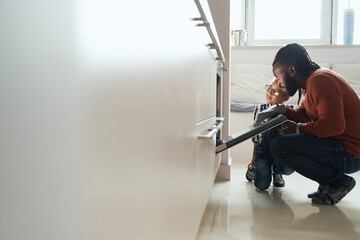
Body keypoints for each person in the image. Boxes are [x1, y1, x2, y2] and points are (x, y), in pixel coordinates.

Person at [268, 43, 360, 205]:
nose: (279, 82)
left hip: (351, 154)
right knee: (280, 139)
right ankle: (329, 183)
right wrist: (282, 110)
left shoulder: (320, 81)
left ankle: (338, 182)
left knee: (279, 146)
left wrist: (296, 129)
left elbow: (334, 126)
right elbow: (304, 114)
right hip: (342, 146)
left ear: (291, 70)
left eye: (278, 75)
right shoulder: (310, 82)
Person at [246, 79, 295, 191]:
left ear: (285, 98)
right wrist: (253, 160)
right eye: (269, 89)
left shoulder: (291, 111)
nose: (269, 93)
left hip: (280, 150)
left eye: (275, 92)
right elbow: (256, 137)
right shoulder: (259, 109)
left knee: (288, 169)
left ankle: (276, 171)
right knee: (261, 186)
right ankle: (258, 170)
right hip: (263, 150)